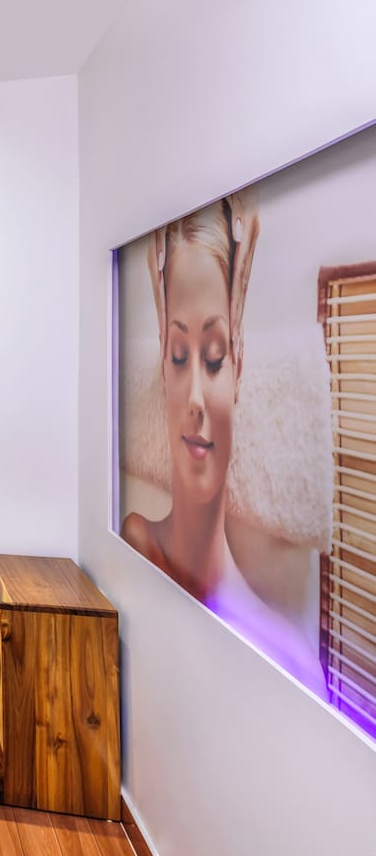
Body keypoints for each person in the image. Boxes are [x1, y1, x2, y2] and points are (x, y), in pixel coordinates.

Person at [122, 192, 257, 602]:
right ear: (164, 365)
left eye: (215, 358)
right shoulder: (134, 540)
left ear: (239, 367)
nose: (195, 397)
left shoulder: (272, 637)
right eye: (178, 356)